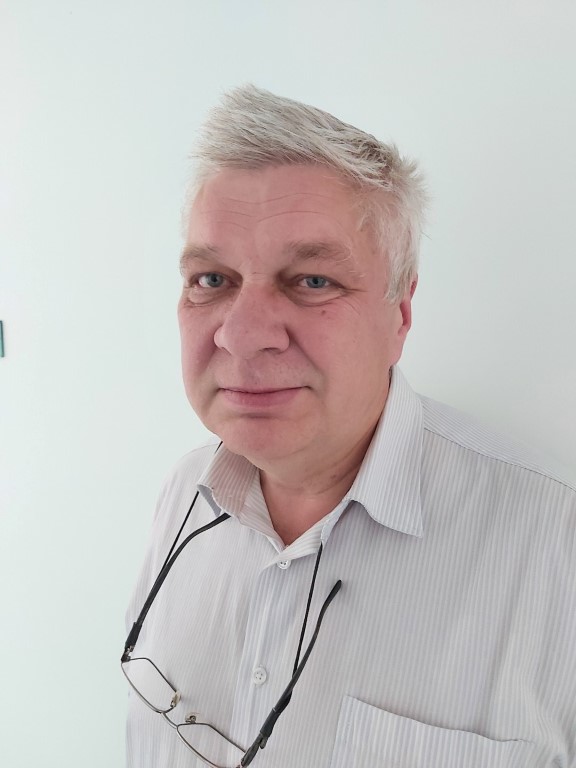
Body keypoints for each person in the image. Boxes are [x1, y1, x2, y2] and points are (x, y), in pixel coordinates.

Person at [123, 85, 576, 768]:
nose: (242, 336)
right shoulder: (182, 495)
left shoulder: (555, 545)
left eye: (312, 281)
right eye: (212, 280)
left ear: (400, 313)